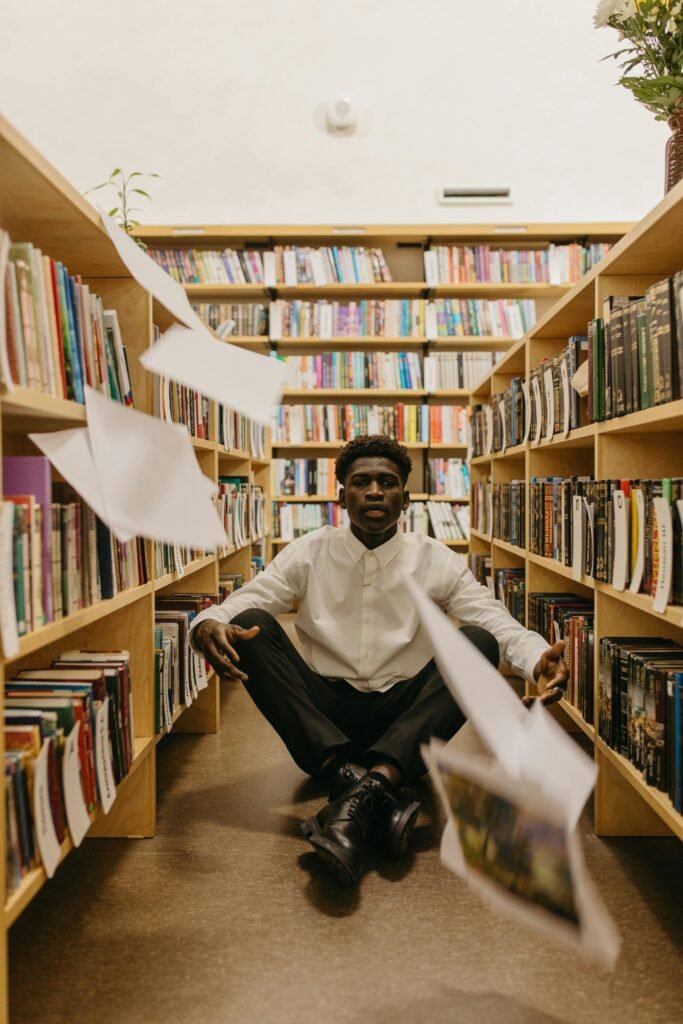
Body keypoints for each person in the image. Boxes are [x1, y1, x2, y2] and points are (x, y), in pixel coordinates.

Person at [190, 435, 567, 886]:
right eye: (361, 482)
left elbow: (495, 621)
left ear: (405, 498)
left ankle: (362, 788)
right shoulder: (308, 553)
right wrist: (207, 623)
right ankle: (370, 787)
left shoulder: (435, 560)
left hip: (406, 722)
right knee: (250, 622)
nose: (373, 492)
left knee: (478, 641)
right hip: (325, 724)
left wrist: (534, 659)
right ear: (341, 495)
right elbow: (249, 598)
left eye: (387, 483)